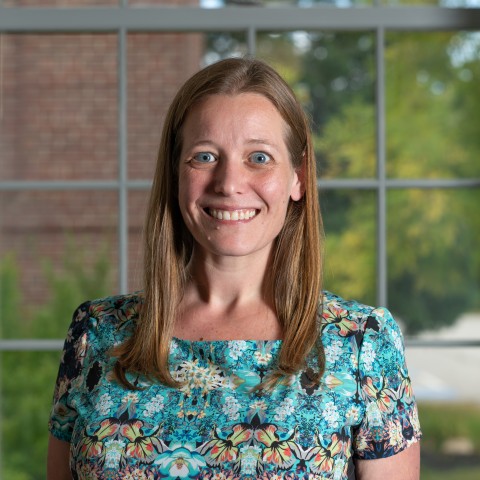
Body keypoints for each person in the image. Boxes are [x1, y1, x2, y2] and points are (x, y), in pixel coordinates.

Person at [47, 57, 421, 480]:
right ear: (175, 174)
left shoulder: (362, 345)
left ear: (297, 178)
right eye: (204, 156)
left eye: (258, 157)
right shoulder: (94, 333)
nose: (228, 182)